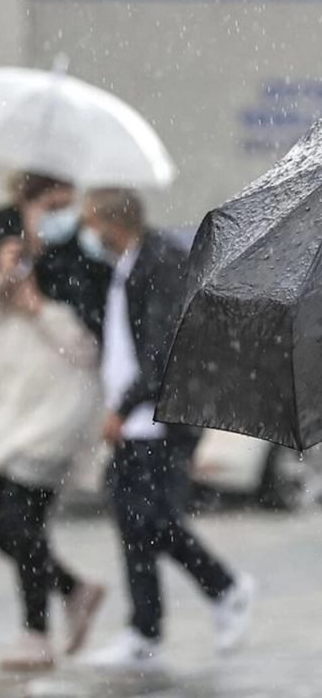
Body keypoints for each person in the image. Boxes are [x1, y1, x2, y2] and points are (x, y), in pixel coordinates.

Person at [78, 188, 256, 670]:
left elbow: (162, 349)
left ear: (110, 223)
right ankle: (145, 632)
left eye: (89, 222)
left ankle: (225, 587)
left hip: (159, 417)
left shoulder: (161, 262)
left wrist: (123, 405)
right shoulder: (129, 263)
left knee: (153, 519)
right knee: (131, 518)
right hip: (137, 421)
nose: (86, 233)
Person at [0, 237, 106, 671]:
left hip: (52, 429)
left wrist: (37, 306)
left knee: (18, 525)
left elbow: (86, 349)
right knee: (21, 529)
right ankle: (70, 592)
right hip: (17, 431)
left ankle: (38, 632)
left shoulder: (61, 293)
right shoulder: (8, 313)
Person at [0, 171, 111, 337]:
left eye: (67, 207)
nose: (60, 217)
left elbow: (91, 344)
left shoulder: (84, 256)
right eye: (52, 207)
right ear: (24, 203)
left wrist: (41, 308)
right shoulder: (6, 233)